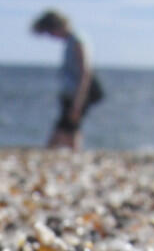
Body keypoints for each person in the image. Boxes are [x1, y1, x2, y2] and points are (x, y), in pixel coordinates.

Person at [31, 9, 102, 150]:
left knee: (60, 133)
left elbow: (85, 72)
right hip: (73, 94)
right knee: (72, 130)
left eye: (50, 32)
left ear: (57, 26)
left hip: (79, 94)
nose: (51, 37)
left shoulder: (77, 40)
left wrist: (78, 103)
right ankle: (76, 157)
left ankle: (73, 158)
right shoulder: (71, 41)